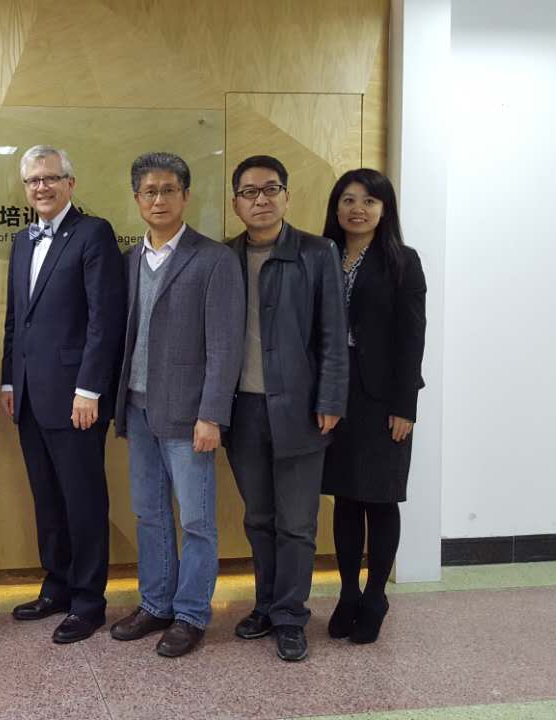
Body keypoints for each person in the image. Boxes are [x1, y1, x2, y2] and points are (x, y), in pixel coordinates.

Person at [109, 152, 245, 658]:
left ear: (186, 196)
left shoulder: (213, 259)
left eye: (169, 190)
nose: (159, 199)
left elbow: (225, 345)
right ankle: (156, 604)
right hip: (138, 408)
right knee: (148, 513)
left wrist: (212, 414)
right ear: (137, 199)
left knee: (196, 520)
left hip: (190, 416)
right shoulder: (128, 261)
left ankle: (190, 613)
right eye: (150, 191)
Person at [223, 155, 348, 663]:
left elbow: (334, 335)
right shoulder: (224, 257)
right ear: (236, 203)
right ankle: (265, 606)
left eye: (270, 189)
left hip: (300, 409)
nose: (261, 200)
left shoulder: (317, 253)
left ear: (287, 196)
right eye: (249, 192)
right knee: (259, 518)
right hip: (242, 411)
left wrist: (331, 399)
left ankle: (291, 616)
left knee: (296, 522)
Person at [0, 146, 126, 644]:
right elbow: (17, 318)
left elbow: (104, 319)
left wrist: (89, 388)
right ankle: (56, 586)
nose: (42, 187)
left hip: (77, 398)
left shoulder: (93, 233)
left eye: (52, 178)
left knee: (83, 501)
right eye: (34, 180)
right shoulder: (22, 240)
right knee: (47, 499)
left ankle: (89, 602)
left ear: (70, 183)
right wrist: (9, 381)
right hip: (31, 395)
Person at [321, 168, 426, 645]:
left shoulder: (403, 261)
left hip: (383, 400)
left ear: (385, 210)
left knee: (380, 498)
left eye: (368, 201)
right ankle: (347, 593)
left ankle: (376, 596)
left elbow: (412, 336)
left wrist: (406, 406)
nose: (357, 209)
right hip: (335, 394)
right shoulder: (322, 255)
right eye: (348, 200)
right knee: (345, 497)